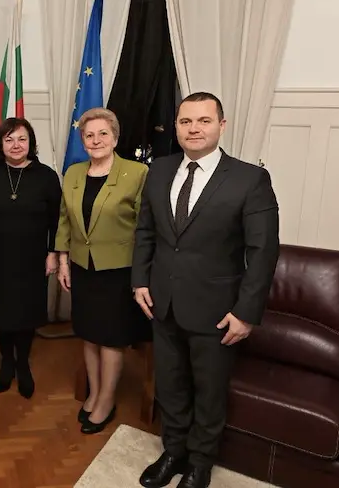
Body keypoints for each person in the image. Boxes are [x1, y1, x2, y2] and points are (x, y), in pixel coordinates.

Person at [132, 92, 280, 488]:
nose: (194, 128)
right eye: (185, 121)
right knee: (170, 386)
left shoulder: (250, 179)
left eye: (203, 120)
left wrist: (246, 312)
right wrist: (140, 280)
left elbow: (263, 251)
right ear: (176, 127)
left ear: (221, 125)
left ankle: (200, 462)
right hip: (162, 303)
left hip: (217, 311)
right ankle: (173, 451)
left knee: (209, 392)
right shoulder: (159, 170)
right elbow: (146, 230)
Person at [56, 107, 149, 435]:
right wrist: (63, 261)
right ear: (82, 140)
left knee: (110, 338)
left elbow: (145, 227)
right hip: (82, 267)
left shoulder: (137, 173)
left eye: (102, 134)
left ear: (115, 138)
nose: (95, 140)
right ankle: (94, 393)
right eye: (89, 135)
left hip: (118, 270)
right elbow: (64, 219)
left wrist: (144, 274)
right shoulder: (73, 173)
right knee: (89, 334)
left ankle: (107, 400)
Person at [0, 118, 61, 399]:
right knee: (0, 313)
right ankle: (7, 361)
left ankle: (23, 364)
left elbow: (57, 220)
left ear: (31, 142)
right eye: (9, 140)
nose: (16, 145)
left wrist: (53, 254)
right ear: (0, 144)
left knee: (26, 314)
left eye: (22, 139)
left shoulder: (46, 176)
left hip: (32, 259)